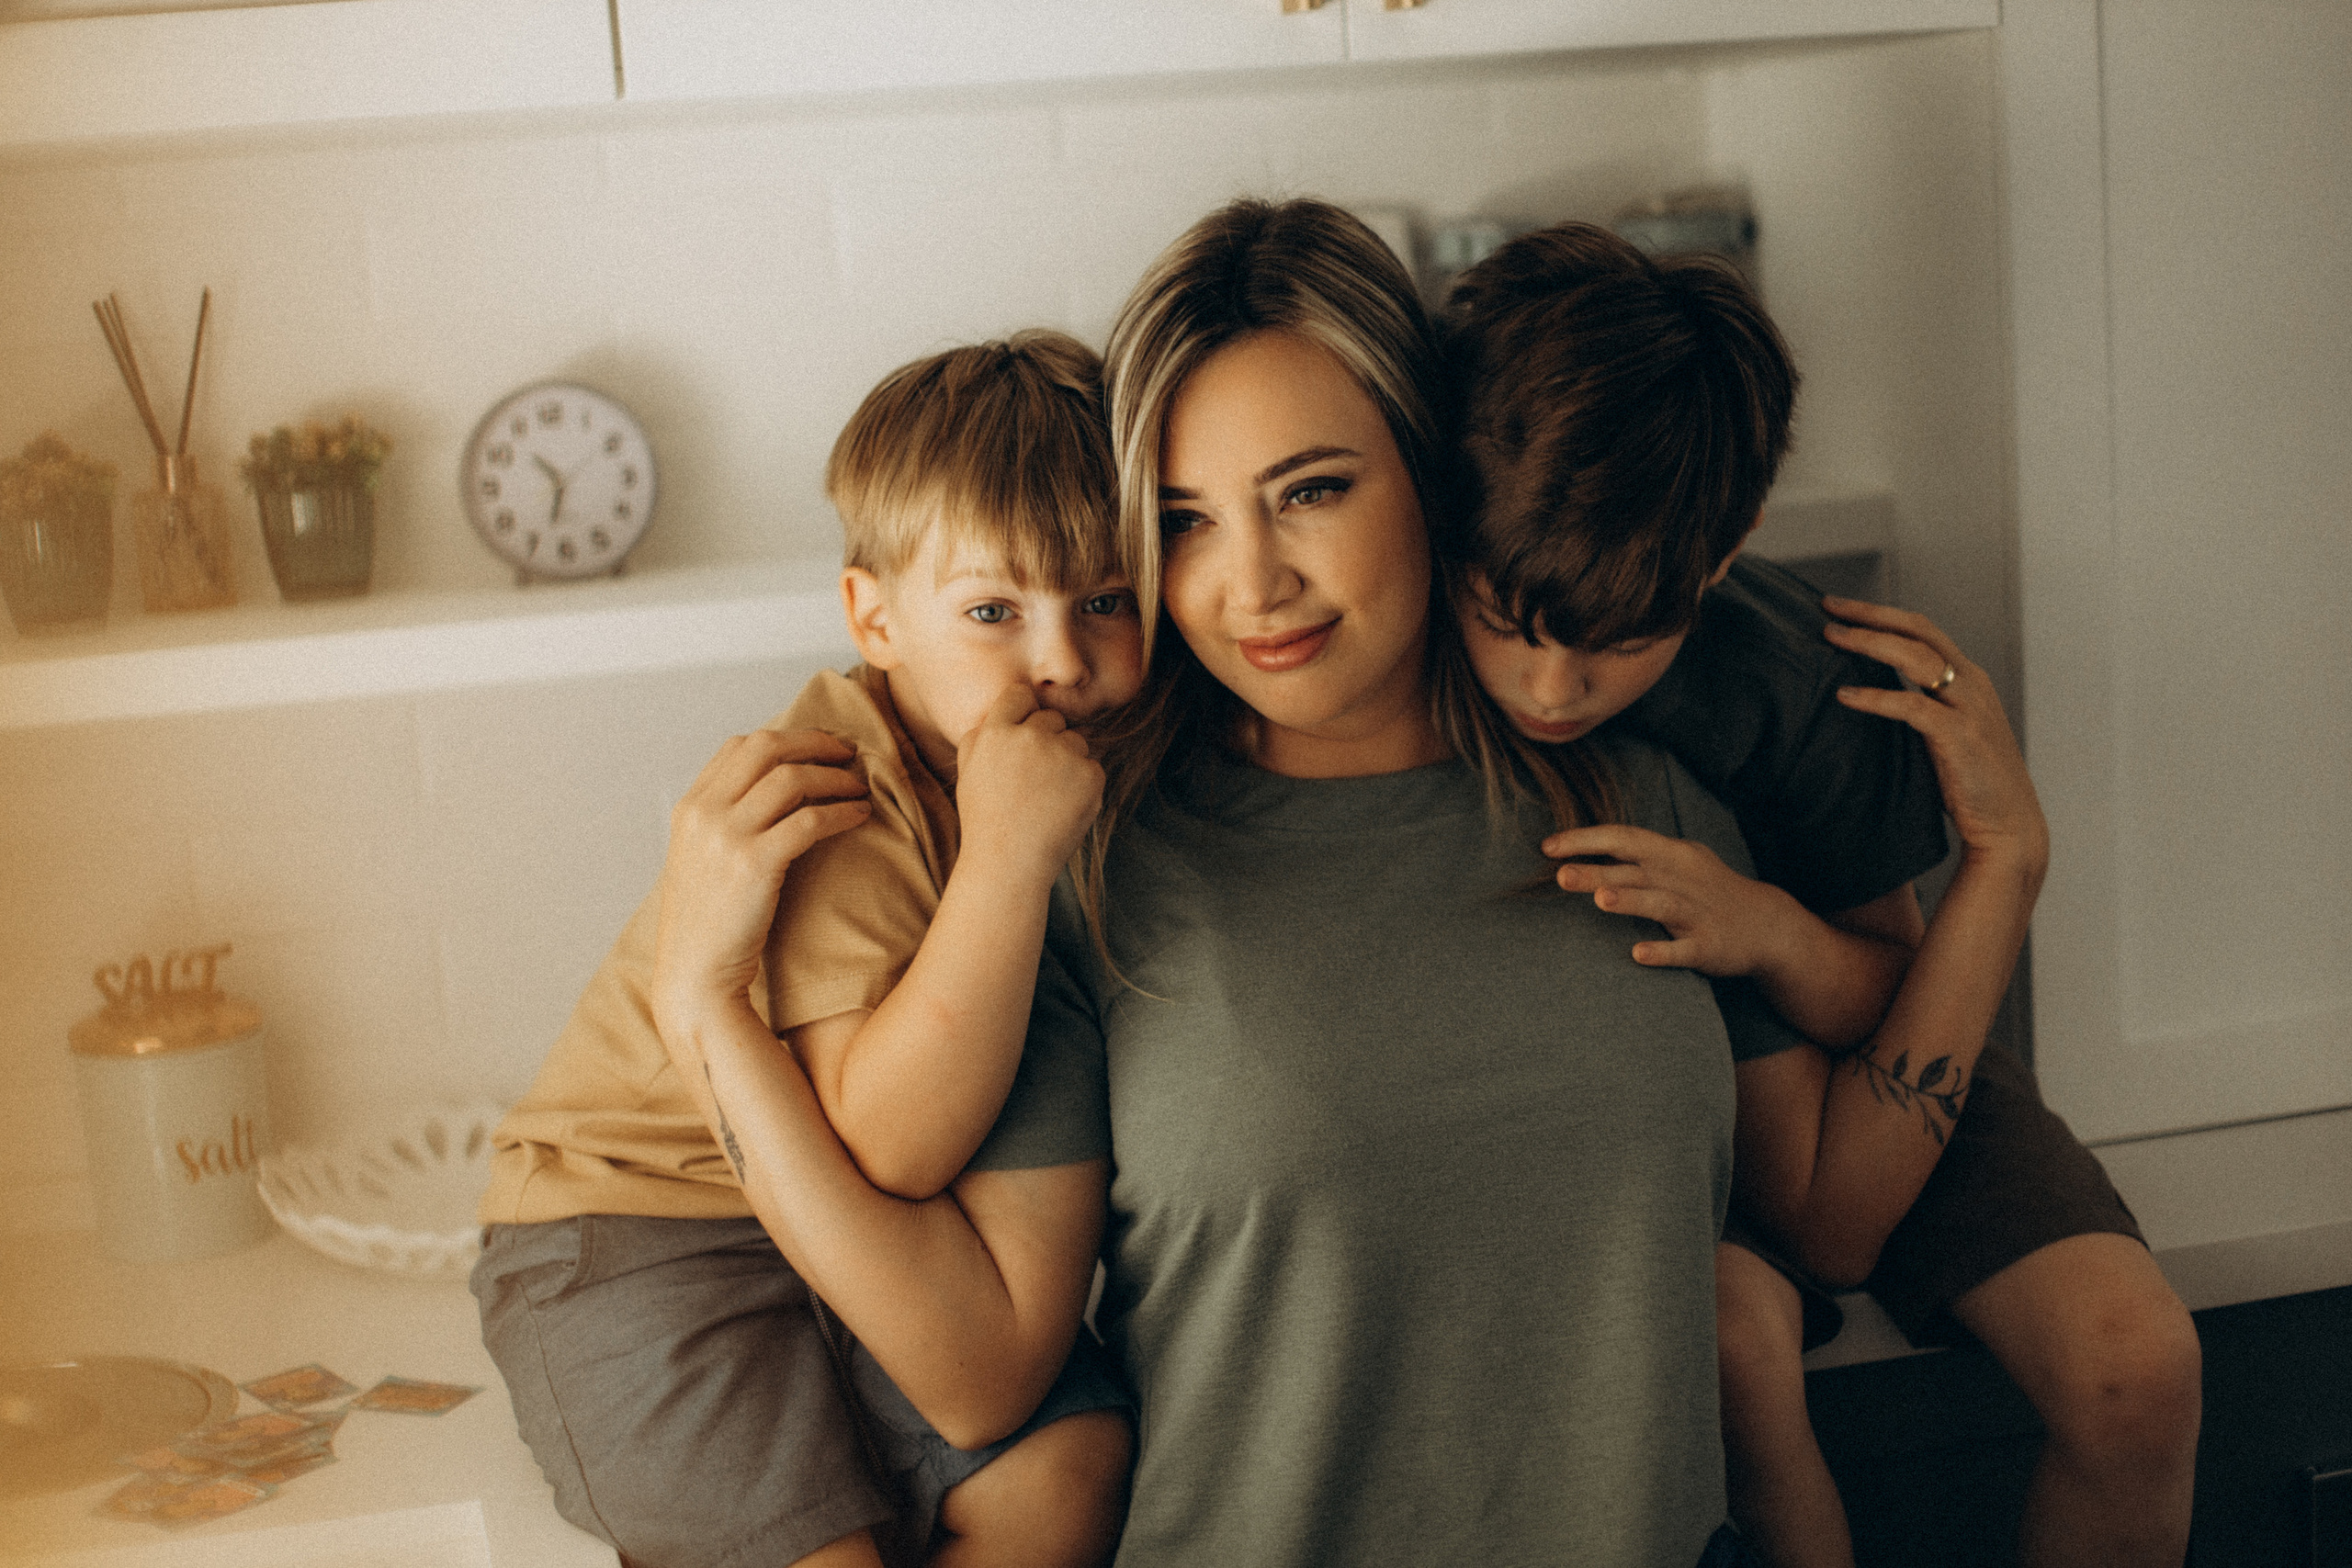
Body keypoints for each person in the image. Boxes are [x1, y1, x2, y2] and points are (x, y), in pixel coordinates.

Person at [1440, 220, 2204, 1568]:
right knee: (1743, 1362)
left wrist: (1778, 927)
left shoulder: (1793, 683)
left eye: (1621, 646)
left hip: (1869, 1033)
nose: (1552, 689)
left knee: (2137, 1362)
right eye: (1508, 622)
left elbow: (1889, 995)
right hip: (1671, 1094)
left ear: (1722, 558)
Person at [470, 333, 1141, 1568]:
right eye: (994, 610)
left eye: (1104, 601)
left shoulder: (1051, 768)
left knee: (1070, 1472)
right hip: (632, 1235)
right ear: (871, 617)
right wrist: (1004, 861)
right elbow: (887, 1142)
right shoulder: (836, 796)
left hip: (846, 1255)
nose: (1060, 659)